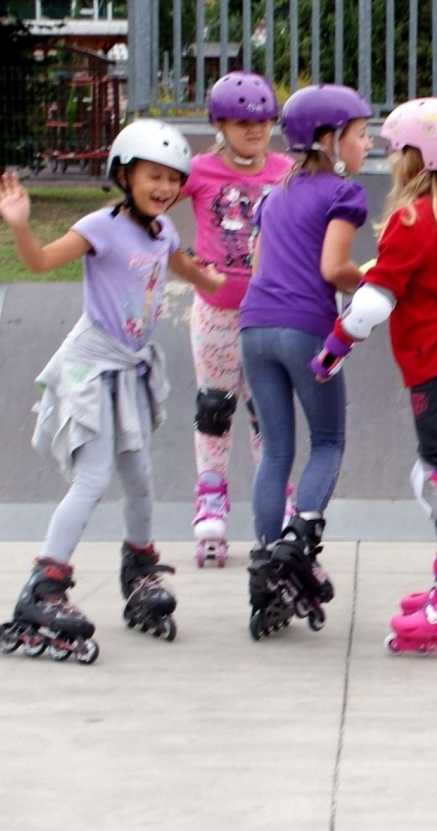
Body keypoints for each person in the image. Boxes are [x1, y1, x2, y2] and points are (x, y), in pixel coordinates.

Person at [0, 120, 223, 664]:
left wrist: (224, 275)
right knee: (93, 479)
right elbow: (39, 261)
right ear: (124, 175)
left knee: (140, 479)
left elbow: (187, 268)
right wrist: (20, 225)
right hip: (89, 368)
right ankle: (43, 585)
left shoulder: (164, 232)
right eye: (153, 177)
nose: (164, 188)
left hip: (129, 369)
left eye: (173, 180)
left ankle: (139, 572)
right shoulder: (100, 227)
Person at [312, 98, 437, 655]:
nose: (391, 159)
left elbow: (375, 302)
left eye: (397, 151)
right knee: (433, 474)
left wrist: (335, 346)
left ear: (415, 159)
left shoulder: (410, 218)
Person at [238, 84, 372, 639]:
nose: (368, 143)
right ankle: (300, 542)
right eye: (361, 134)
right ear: (329, 139)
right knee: (328, 442)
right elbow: (333, 268)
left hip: (253, 328)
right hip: (305, 331)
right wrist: (380, 278)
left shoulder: (272, 194)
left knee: (275, 450)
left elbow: (259, 260)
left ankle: (266, 562)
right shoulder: (344, 193)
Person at [179, 71, 294, 568]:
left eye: (264, 122)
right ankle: (211, 496)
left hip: (271, 311)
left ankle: (278, 498)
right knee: (215, 405)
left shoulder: (286, 169)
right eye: (243, 123)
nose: (256, 131)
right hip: (217, 313)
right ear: (219, 125)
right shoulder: (199, 171)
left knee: (267, 413)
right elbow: (153, 196)